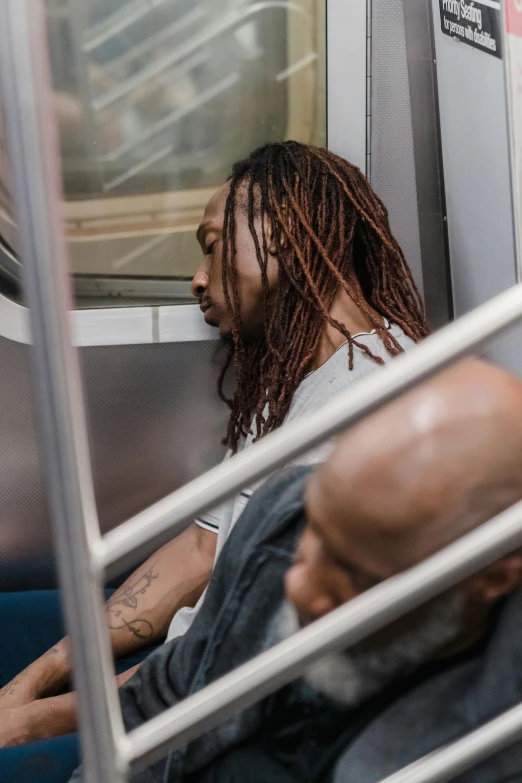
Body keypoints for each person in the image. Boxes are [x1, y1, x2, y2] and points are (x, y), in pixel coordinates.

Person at [0, 141, 427, 779]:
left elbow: (239, 658)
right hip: (193, 648)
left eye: (210, 245)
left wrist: (35, 720)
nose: (198, 278)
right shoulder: (287, 372)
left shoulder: (365, 410)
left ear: (282, 236)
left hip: (211, 697)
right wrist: (47, 671)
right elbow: (205, 552)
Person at [68, 358, 522, 783]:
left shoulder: (500, 722)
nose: (298, 585)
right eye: (314, 534)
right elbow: (164, 698)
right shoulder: (285, 512)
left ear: (491, 578)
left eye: (354, 574)